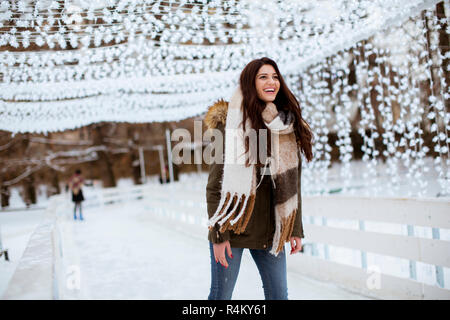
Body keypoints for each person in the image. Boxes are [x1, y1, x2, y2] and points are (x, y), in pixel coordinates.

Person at [204, 57, 313, 300]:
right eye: (263, 77)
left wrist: (294, 229)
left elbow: (293, 185)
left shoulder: (286, 126)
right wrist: (219, 237)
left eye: (275, 77)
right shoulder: (230, 125)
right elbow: (214, 187)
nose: (271, 82)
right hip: (234, 228)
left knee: (279, 296)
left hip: (271, 231)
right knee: (221, 297)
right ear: (250, 83)